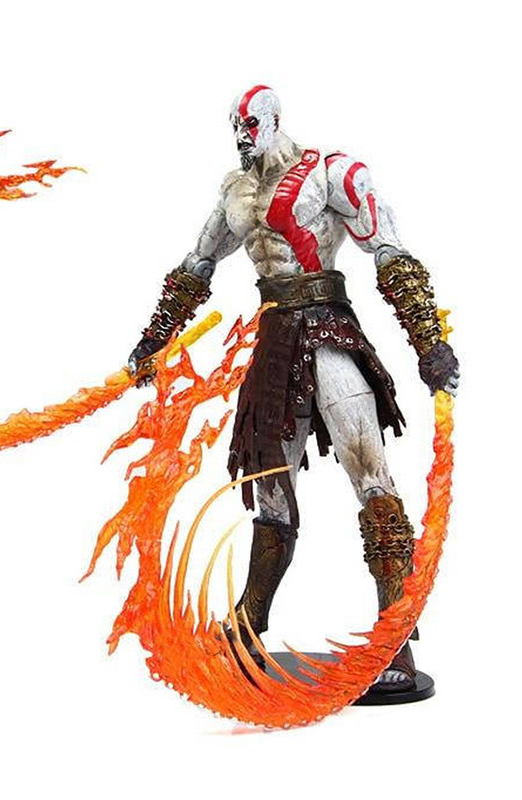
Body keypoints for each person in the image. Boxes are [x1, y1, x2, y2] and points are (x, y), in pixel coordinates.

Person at [126, 85, 459, 692]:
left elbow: (389, 251)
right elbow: (197, 264)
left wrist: (429, 342)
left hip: (328, 330)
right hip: (275, 340)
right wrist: (155, 339)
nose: (242, 134)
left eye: (251, 123)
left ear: (275, 119)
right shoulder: (236, 193)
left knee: (371, 475)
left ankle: (394, 642)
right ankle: (248, 631)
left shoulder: (330, 173)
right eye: (236, 125)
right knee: (269, 491)